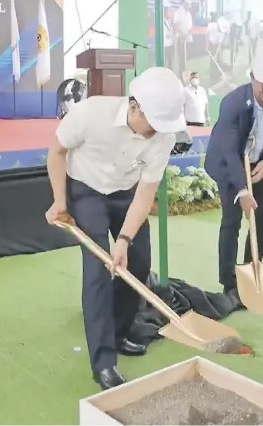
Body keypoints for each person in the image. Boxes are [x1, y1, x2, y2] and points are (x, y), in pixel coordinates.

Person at [43, 66, 186, 390]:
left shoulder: (163, 136)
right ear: (134, 106)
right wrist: (60, 201)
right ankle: (103, 361)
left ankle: (120, 333)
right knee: (98, 269)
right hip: (86, 190)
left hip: (126, 194)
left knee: (137, 264)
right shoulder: (92, 113)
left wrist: (124, 239)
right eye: (153, 122)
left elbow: (146, 192)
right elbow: (57, 151)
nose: (157, 131)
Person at [204, 42, 263, 307]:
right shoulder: (233, 103)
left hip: (256, 165)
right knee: (232, 221)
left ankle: (252, 270)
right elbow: (230, 150)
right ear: (254, 78)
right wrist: (242, 190)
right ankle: (230, 283)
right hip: (228, 164)